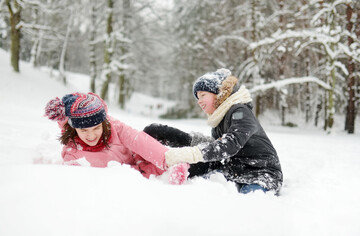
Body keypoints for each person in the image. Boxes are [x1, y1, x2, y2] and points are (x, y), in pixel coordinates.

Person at [144, 69, 283, 194]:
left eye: (203, 95)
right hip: (235, 172)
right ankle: (177, 170)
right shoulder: (219, 122)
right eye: (197, 97)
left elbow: (229, 144)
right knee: (205, 181)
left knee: (247, 202)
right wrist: (174, 136)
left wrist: (189, 154)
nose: (199, 101)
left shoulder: (240, 112)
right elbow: (213, 144)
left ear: (218, 94)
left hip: (261, 174)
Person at [44, 92, 168, 178]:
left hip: (139, 155)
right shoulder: (74, 156)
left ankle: (187, 141)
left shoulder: (111, 125)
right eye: (84, 130)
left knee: (153, 131)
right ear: (74, 128)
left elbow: (136, 139)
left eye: (96, 128)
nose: (91, 135)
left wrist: (167, 158)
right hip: (136, 173)